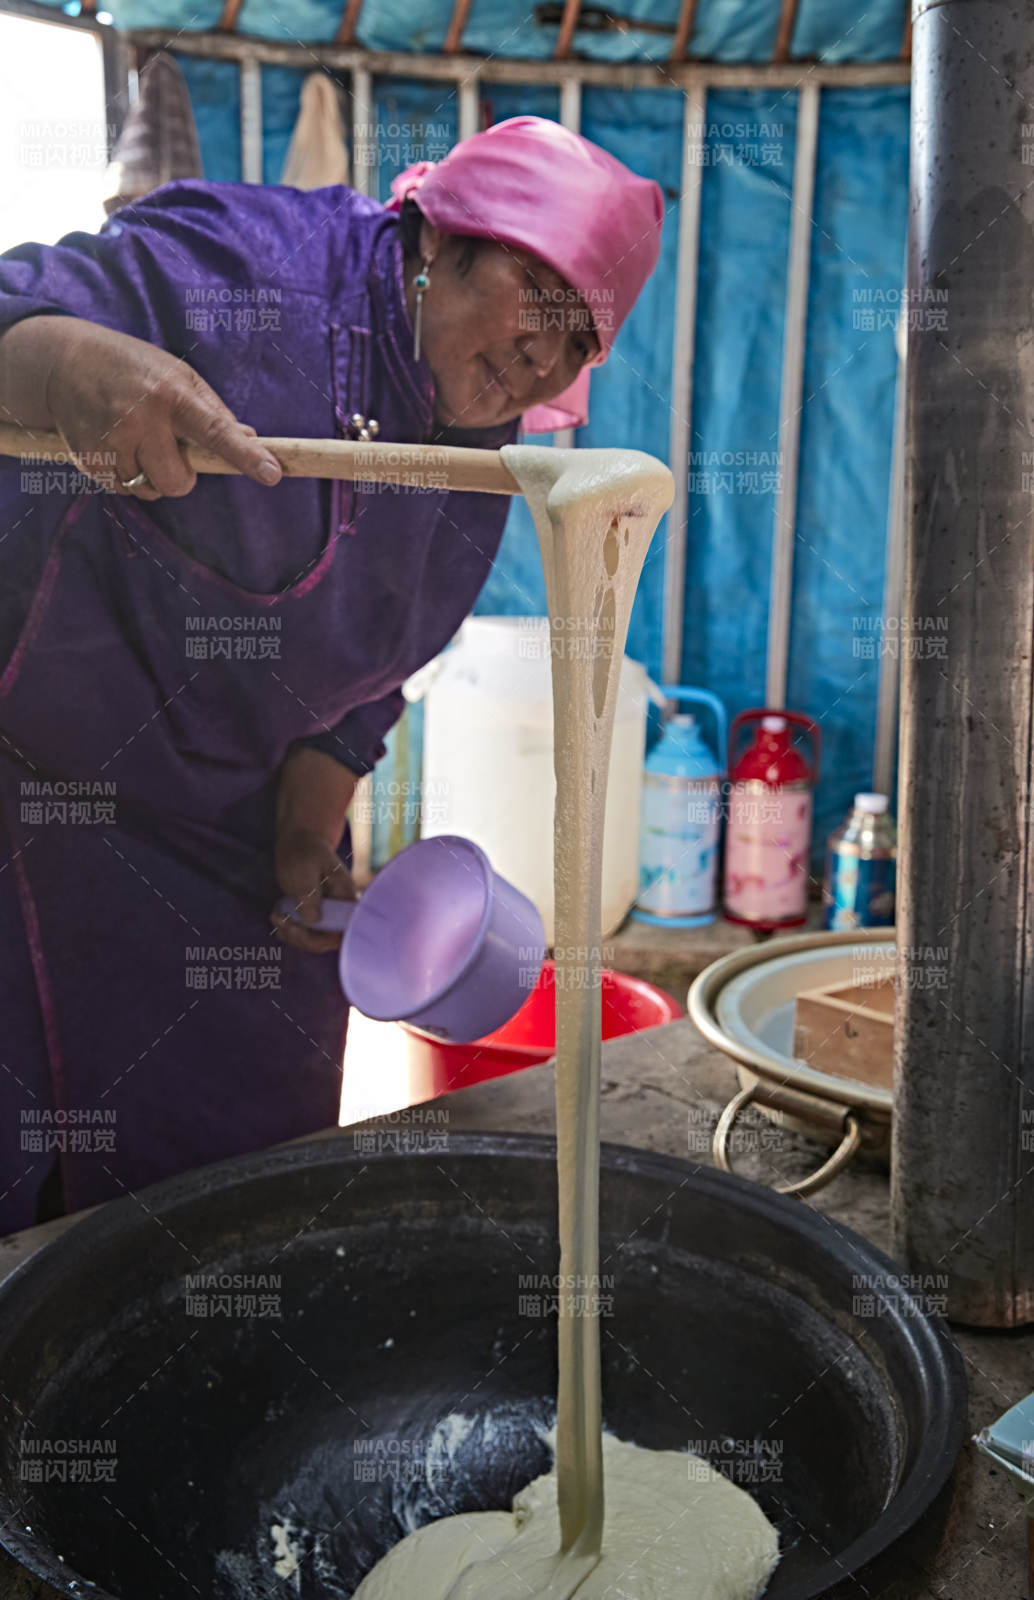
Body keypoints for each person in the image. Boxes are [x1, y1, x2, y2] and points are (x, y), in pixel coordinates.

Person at [0, 115, 663, 1234]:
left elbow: (361, 690)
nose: (545, 358)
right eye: (537, 298)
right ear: (446, 236)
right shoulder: (245, 271)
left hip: (225, 830)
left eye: (580, 341)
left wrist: (307, 832)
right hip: (31, 774)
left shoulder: (481, 462)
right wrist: (62, 362)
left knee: (240, 1180)